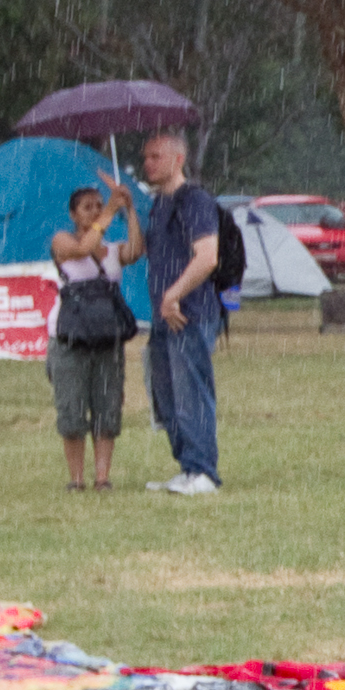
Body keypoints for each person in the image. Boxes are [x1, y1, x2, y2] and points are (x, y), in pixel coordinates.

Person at [113, 128, 221, 495]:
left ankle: (204, 471)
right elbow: (139, 249)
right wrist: (128, 206)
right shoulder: (158, 203)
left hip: (189, 311)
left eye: (155, 156)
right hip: (164, 314)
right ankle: (187, 467)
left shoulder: (195, 200)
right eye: (145, 157)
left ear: (178, 159)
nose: (147, 163)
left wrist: (174, 295)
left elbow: (207, 256)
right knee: (167, 394)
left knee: (191, 390)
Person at [46, 182, 137, 489]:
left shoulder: (112, 250)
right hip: (71, 337)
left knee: (107, 406)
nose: (96, 211)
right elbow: (83, 249)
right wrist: (111, 210)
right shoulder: (61, 240)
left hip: (106, 337)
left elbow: (135, 250)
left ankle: (102, 477)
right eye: (88, 207)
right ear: (73, 214)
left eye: (99, 205)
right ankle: (76, 478)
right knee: (71, 408)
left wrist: (130, 209)